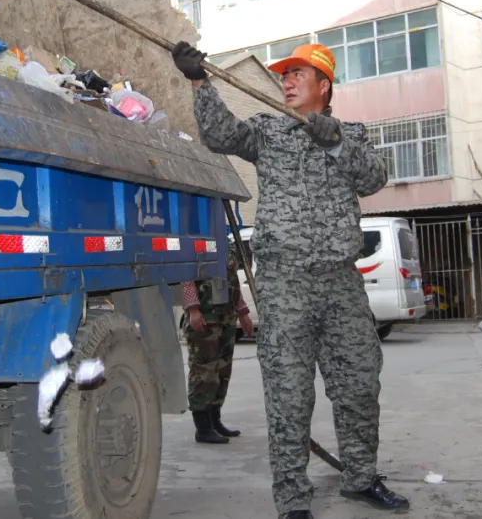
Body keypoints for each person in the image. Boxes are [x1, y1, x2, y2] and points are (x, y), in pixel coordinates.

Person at [171, 41, 410, 519]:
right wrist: (200, 82)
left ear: (324, 85)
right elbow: (220, 135)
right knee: (288, 394)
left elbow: (372, 178)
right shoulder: (267, 132)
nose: (287, 81)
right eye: (284, 75)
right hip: (285, 283)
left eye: (298, 73)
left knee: (359, 385)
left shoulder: (351, 135)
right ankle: (293, 499)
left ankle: (360, 478)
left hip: (341, 282)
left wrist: (335, 141)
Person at [180, 245, 254, 444]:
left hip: (226, 317)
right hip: (206, 317)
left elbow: (233, 280)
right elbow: (187, 278)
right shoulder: (194, 245)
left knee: (222, 370)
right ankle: (203, 427)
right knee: (203, 371)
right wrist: (193, 310)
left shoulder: (226, 246)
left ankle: (215, 420)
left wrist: (243, 313)